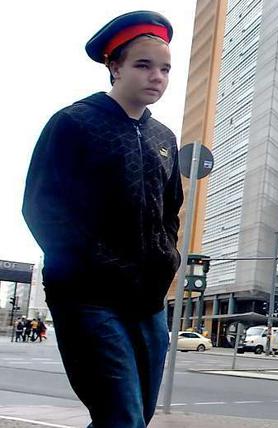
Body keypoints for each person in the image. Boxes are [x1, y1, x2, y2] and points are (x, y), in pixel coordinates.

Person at [22, 11, 179, 427]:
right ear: (114, 67)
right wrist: (93, 265)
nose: (156, 77)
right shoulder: (74, 123)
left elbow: (170, 213)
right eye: (143, 65)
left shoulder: (164, 138)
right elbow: (42, 208)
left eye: (164, 69)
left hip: (148, 301)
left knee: (134, 417)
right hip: (89, 297)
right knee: (120, 419)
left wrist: (168, 260)